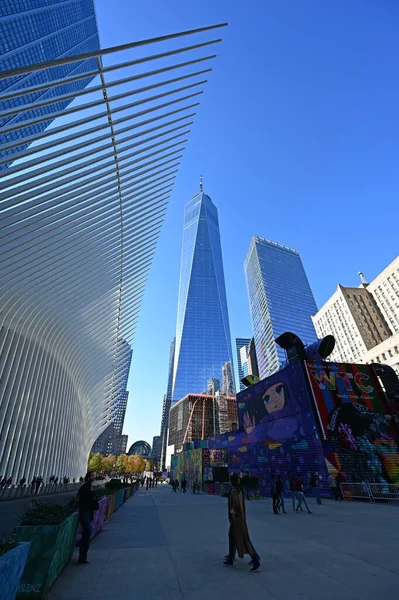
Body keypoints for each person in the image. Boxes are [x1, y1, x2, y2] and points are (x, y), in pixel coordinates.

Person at [223, 473, 261, 572]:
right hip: (240, 519)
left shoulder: (234, 491)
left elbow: (235, 504)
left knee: (243, 539)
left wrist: (232, 513)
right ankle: (231, 558)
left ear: (231, 481)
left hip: (236, 520)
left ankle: (255, 559)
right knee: (232, 536)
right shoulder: (240, 490)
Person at [77, 471, 98, 565]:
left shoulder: (90, 487)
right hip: (84, 512)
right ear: (88, 477)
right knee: (87, 533)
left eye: (94, 475)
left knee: (87, 534)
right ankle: (82, 557)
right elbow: (85, 499)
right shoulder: (86, 487)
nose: (94, 477)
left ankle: (83, 557)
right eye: (92, 475)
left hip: (88, 512)